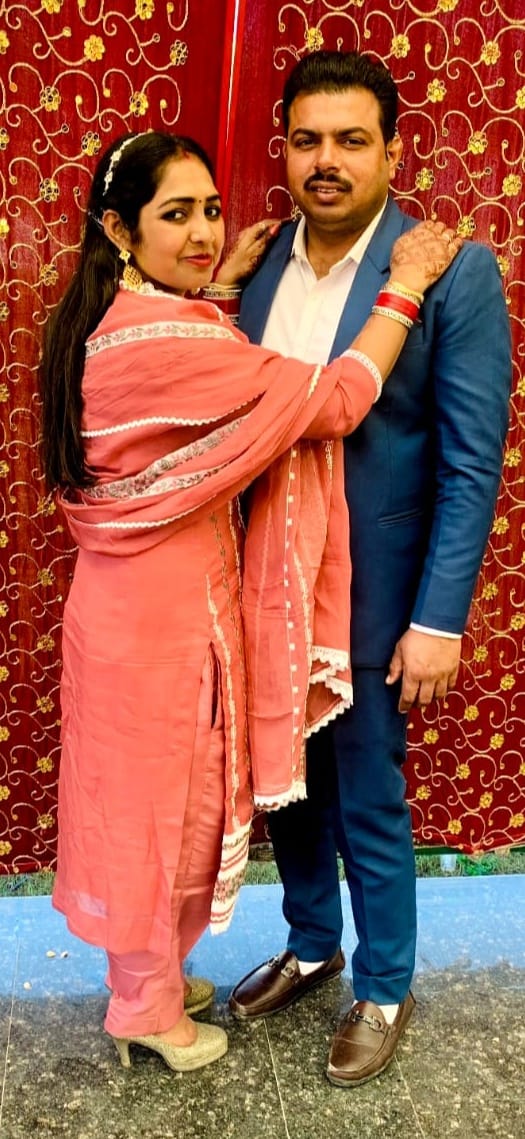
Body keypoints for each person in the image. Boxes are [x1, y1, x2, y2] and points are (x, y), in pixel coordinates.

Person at [39, 129, 461, 1076]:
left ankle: (149, 977)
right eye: (174, 214)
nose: (202, 233)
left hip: (128, 608)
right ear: (119, 230)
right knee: (158, 811)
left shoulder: (118, 316)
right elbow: (335, 400)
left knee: (143, 801)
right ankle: (145, 1007)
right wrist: (402, 285)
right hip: (160, 625)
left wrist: (220, 289)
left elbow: (205, 398)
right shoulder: (176, 336)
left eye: (208, 209)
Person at [227, 51, 512, 1087]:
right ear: (283, 151)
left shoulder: (449, 270)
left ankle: (385, 981)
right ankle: (313, 944)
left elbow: (471, 460)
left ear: (393, 151)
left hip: (375, 587)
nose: (327, 161)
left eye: (352, 140)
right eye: (307, 140)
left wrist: (439, 618)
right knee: (285, 779)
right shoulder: (258, 262)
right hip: (261, 577)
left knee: (368, 794)